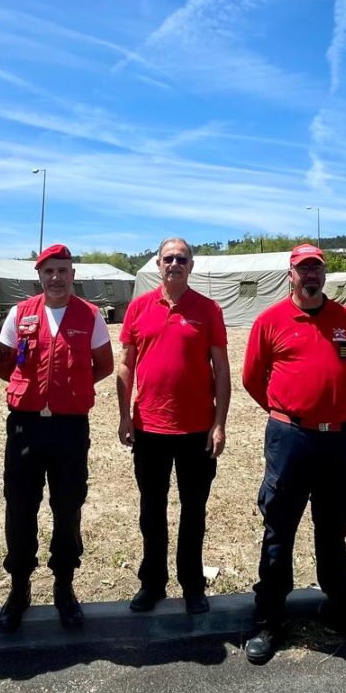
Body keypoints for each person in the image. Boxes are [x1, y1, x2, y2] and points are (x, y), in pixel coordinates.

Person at [240, 243, 346, 665]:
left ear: (324, 275)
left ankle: (342, 611)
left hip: (337, 441)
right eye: (302, 269)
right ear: (290, 274)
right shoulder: (270, 321)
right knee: (278, 531)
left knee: (333, 529)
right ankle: (268, 620)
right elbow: (252, 378)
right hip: (290, 440)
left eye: (316, 269)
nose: (310, 275)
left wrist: (330, 409)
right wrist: (290, 411)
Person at [0, 243, 114, 632]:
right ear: (40, 275)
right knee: (20, 507)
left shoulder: (90, 315)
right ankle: (19, 587)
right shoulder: (19, 313)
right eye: (49, 271)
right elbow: (3, 365)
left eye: (63, 271)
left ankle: (64, 586)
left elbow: (104, 365)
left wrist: (70, 390)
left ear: (72, 275)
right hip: (26, 426)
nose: (56, 278)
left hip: (69, 429)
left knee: (67, 508)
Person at [116, 237, 229, 615]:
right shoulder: (137, 308)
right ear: (158, 265)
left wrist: (220, 423)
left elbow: (221, 369)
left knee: (193, 511)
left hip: (196, 430)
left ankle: (192, 584)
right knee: (152, 510)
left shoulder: (208, 310)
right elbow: (126, 365)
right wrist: (123, 415)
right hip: (150, 428)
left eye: (182, 258)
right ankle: (152, 583)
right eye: (169, 258)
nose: (175, 263)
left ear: (191, 266)